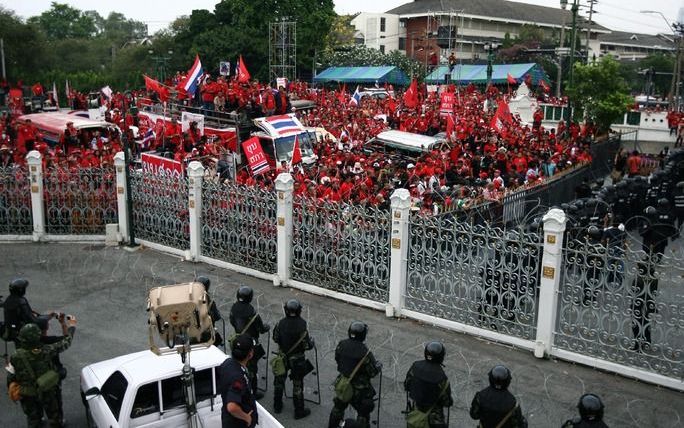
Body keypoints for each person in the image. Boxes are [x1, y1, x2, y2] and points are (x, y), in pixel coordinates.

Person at [8, 316, 77, 428]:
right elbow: (66, 341)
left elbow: (11, 375)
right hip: (46, 390)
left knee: (33, 419)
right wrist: (72, 327)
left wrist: (12, 386)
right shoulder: (46, 351)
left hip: (27, 394)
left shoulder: (15, 356)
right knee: (54, 417)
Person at [328, 321, 381, 428]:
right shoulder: (365, 352)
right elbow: (372, 372)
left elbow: (337, 359)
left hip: (344, 383)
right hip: (360, 388)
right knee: (363, 413)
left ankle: (332, 426)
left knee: (338, 407)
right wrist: (378, 367)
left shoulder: (341, 344)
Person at [272, 299, 314, 419]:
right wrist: (312, 343)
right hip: (298, 360)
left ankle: (277, 406)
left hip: (283, 357)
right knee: (297, 385)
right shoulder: (302, 324)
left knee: (279, 382)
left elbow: (275, 338)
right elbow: (306, 345)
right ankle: (299, 411)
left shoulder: (281, 323)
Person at [229, 285, 270, 399]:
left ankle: (236, 385)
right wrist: (267, 327)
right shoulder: (252, 312)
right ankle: (253, 392)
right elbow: (261, 328)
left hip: (237, 339)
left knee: (237, 364)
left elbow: (232, 321)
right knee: (252, 369)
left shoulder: (234, 308)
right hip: (250, 343)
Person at [404, 341, 453, 428]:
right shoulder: (442, 378)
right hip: (434, 420)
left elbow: (407, 385)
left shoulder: (415, 367)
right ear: (441, 357)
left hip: (416, 414)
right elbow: (447, 402)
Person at [36, 314, 70, 424]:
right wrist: (64, 324)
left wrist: (49, 316)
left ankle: (39, 418)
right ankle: (58, 421)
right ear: (46, 328)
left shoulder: (27, 343)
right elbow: (66, 340)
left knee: (37, 401)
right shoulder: (51, 341)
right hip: (51, 379)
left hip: (35, 379)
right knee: (55, 402)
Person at [218, 334, 258, 428]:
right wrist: (246, 418)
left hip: (228, 419)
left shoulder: (227, 363)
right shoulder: (238, 377)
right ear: (250, 354)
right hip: (238, 423)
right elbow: (232, 407)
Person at [196, 276, 224, 347]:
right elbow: (217, 317)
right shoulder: (210, 302)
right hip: (207, 333)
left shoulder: (190, 300)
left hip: (194, 332)